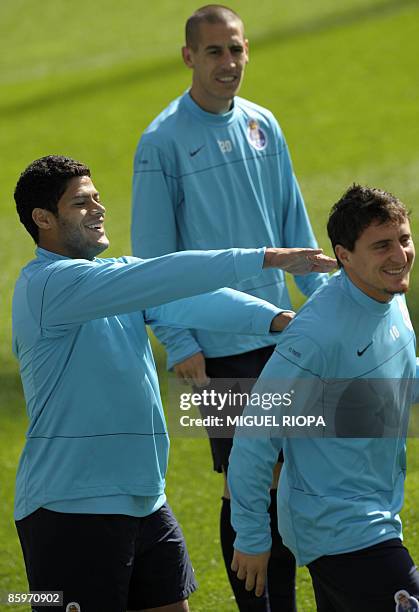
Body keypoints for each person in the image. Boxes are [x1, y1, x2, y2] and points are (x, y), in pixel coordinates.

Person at [12, 155, 335, 612]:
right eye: (81, 203)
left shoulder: (113, 281)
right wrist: (267, 258)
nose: (99, 209)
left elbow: (189, 298)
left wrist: (283, 322)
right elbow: (166, 274)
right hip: (70, 510)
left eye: (97, 198)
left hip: (146, 500)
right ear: (42, 218)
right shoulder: (49, 286)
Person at [131, 5, 327, 609]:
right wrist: (179, 338)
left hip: (286, 332)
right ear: (189, 56)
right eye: (214, 52)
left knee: (292, 477)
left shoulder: (264, 122)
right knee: (250, 482)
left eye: (236, 49)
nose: (228, 63)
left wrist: (321, 309)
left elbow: (294, 221)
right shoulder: (161, 141)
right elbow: (153, 257)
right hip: (218, 342)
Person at [228, 185, 419, 612]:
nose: (400, 255)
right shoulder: (316, 335)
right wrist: (253, 536)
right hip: (341, 529)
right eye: (382, 246)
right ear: (344, 255)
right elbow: (255, 435)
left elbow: (401, 377)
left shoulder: (390, 299)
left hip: (375, 514)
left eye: (404, 239)